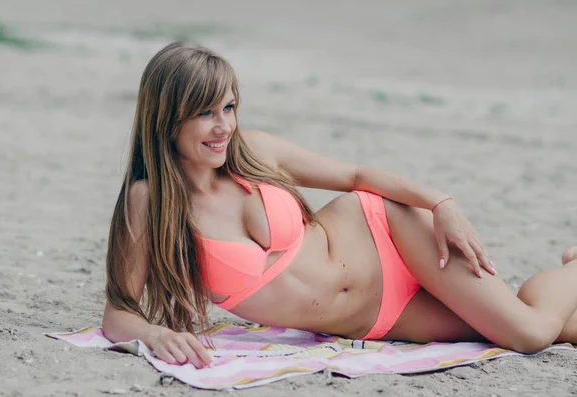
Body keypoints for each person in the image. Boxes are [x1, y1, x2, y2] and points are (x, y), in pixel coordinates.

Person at [102, 42, 577, 369]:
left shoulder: (253, 151)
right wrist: (154, 335)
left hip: (387, 232)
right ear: (167, 117)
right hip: (372, 319)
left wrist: (441, 203)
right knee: (539, 329)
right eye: (205, 113)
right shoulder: (149, 204)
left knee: (528, 334)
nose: (223, 126)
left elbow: (355, 178)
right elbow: (118, 313)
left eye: (229, 108)